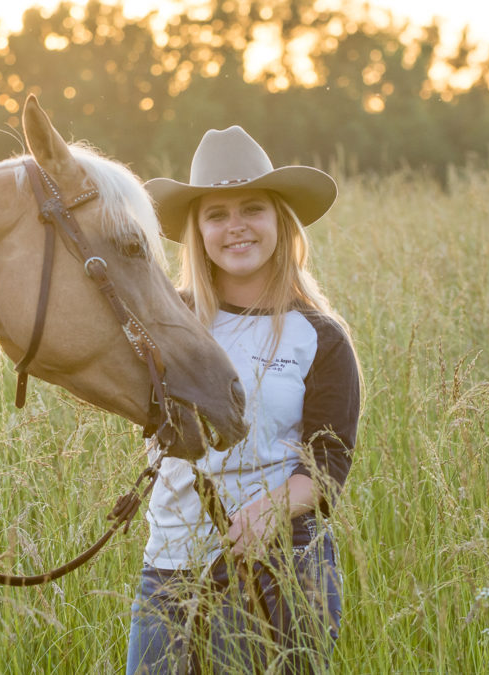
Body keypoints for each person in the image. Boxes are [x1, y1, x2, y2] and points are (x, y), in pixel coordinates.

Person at [126, 126, 361, 674]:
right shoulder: (167, 324)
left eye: (252, 208)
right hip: (170, 566)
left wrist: (266, 511)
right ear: (197, 231)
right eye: (216, 214)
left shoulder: (319, 336)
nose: (235, 227)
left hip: (282, 566)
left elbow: (327, 467)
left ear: (281, 220)